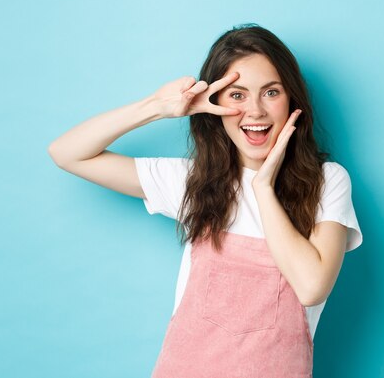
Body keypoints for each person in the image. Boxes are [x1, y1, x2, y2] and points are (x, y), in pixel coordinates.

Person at [48, 24, 362, 377]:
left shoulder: (327, 182)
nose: (255, 111)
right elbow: (68, 153)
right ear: (215, 104)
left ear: (292, 100)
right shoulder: (194, 180)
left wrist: (263, 189)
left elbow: (311, 287)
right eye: (238, 95)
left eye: (271, 92)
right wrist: (157, 107)